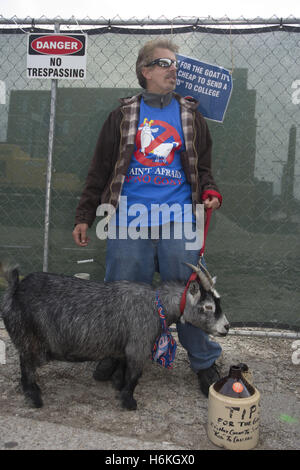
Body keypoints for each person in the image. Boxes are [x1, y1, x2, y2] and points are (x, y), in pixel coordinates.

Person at [72, 38, 223, 397]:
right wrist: (84, 215)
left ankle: (203, 361)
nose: (174, 71)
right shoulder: (122, 115)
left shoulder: (191, 117)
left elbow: (204, 168)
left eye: (175, 64)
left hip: (178, 219)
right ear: (146, 71)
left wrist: (210, 192)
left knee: (189, 292)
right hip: (129, 218)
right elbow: (99, 170)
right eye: (166, 64)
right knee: (122, 294)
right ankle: (115, 352)